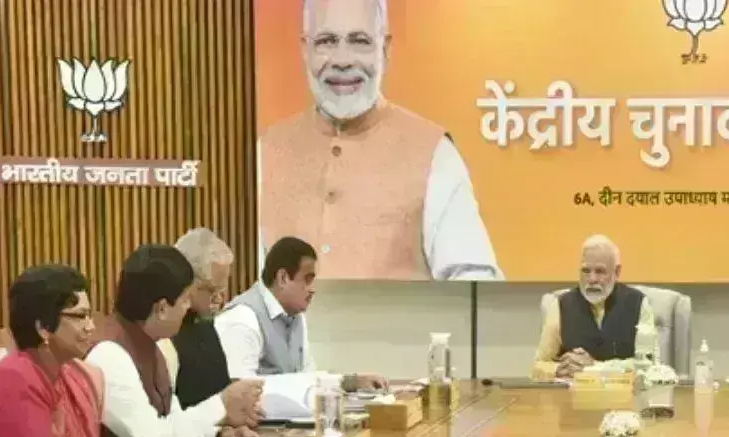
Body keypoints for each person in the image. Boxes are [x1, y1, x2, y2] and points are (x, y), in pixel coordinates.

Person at [258, 0, 502, 281]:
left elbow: (474, 280)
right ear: (305, 49)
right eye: (327, 41)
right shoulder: (264, 154)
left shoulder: (434, 154)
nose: (342, 60)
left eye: (359, 41)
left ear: (385, 49)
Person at [86, 245, 264, 437]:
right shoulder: (109, 354)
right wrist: (222, 404)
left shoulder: (154, 346)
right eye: (185, 299)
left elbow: (174, 422)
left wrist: (218, 435)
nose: (188, 307)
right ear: (162, 308)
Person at [0, 266, 106, 437]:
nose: (91, 327)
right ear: (43, 327)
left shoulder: (78, 374)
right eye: (80, 317)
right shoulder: (15, 377)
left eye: (90, 316)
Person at [217, 236, 388, 395]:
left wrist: (352, 383)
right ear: (283, 278)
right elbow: (240, 394)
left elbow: (308, 378)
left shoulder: (295, 316)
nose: (313, 289)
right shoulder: (242, 318)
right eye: (307, 279)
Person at [532, 235, 656, 380]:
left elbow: (649, 366)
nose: (592, 279)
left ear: (617, 272)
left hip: (623, 393)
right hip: (575, 393)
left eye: (600, 271)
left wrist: (595, 368)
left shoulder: (638, 303)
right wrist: (558, 370)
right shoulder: (561, 305)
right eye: (586, 271)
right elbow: (538, 365)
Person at [164, 228, 235, 409]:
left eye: (223, 289)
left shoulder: (205, 323)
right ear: (188, 281)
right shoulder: (164, 331)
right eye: (212, 290)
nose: (219, 299)